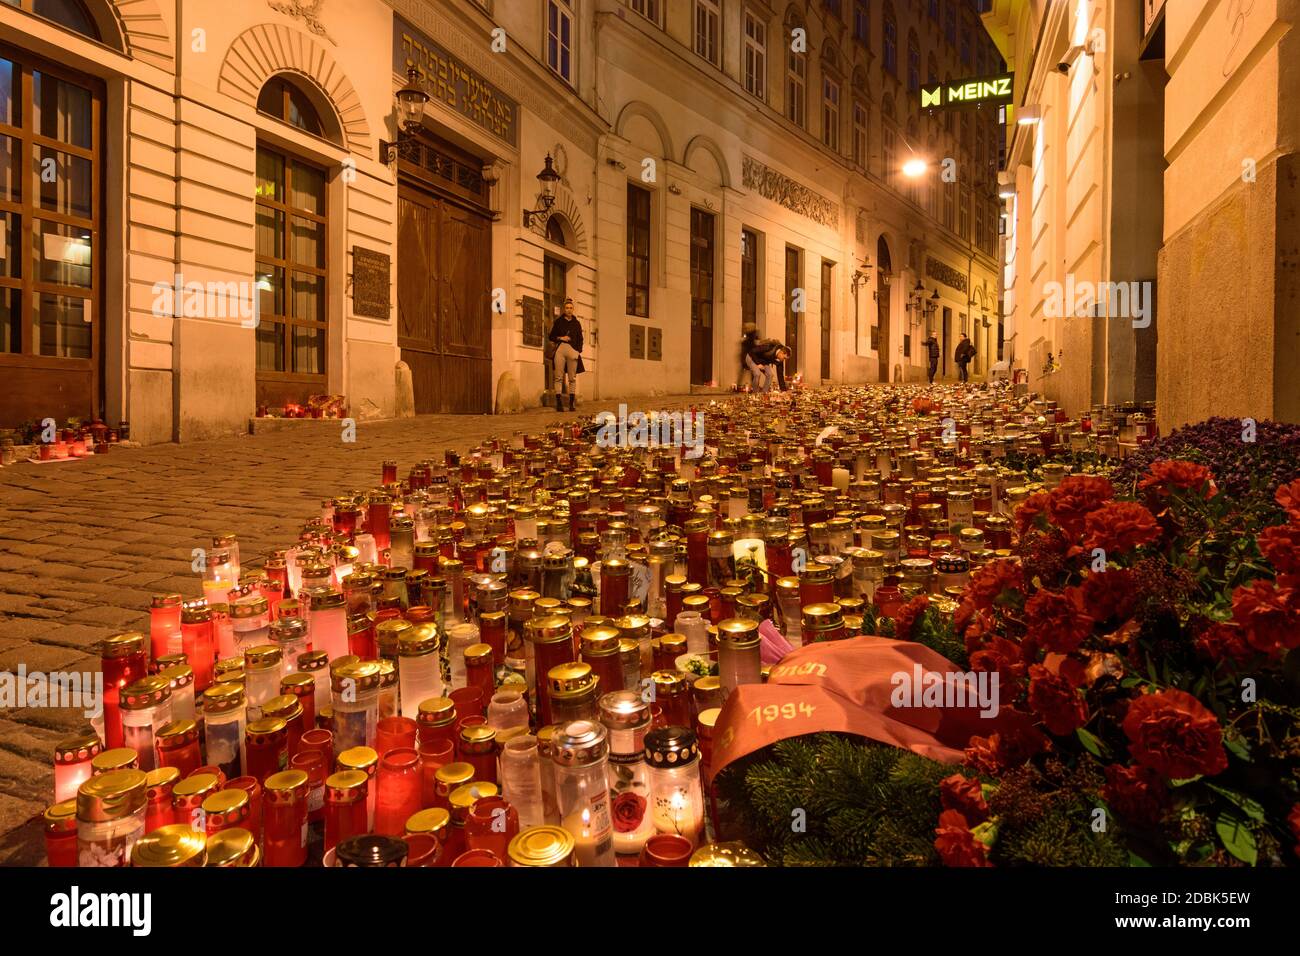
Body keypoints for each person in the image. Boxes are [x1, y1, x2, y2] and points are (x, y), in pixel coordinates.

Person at [548, 298, 585, 411]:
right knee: (558, 377)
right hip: (560, 350)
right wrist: (561, 337)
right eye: (567, 308)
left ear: (573, 309)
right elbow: (551, 336)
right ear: (564, 309)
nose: (569, 310)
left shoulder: (576, 323)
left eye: (570, 308)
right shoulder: (559, 322)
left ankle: (571, 404)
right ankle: (559, 403)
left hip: (572, 351)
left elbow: (580, 339)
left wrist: (577, 351)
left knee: (572, 378)